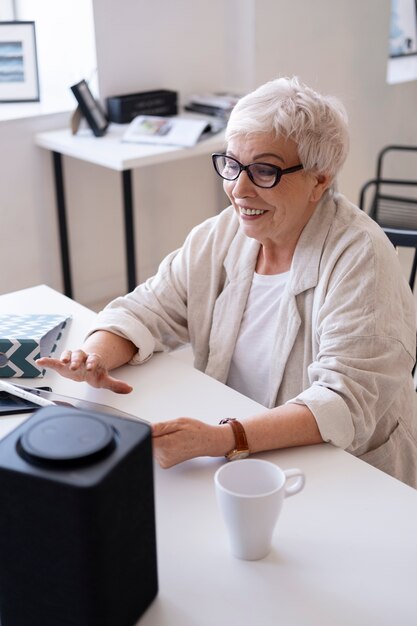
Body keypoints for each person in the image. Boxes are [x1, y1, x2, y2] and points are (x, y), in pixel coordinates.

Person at [38, 76, 417, 488]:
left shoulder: (360, 257)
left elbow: (344, 403)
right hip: (243, 455)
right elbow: (147, 308)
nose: (238, 189)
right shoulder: (223, 234)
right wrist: (94, 356)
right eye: (232, 164)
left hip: (350, 476)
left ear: (320, 179)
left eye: (264, 171)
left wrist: (224, 438)